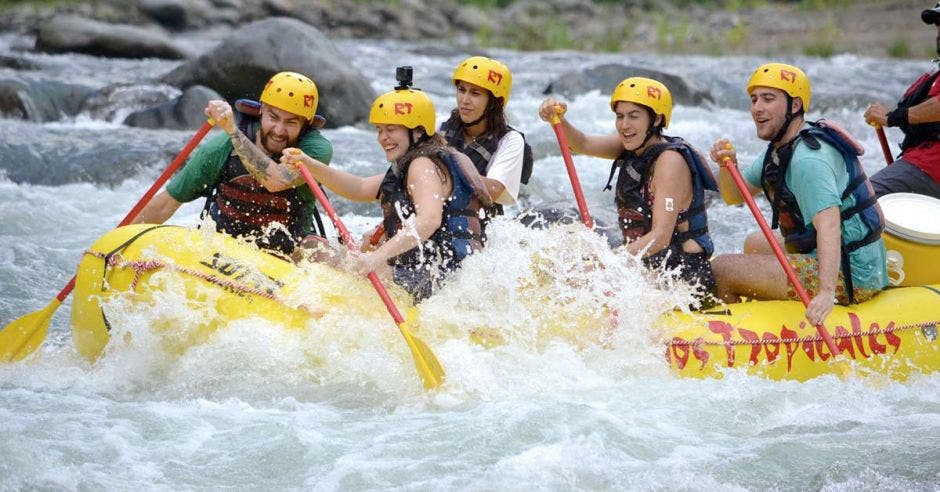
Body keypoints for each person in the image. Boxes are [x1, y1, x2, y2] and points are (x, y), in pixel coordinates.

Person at [281, 68, 493, 301]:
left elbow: (429, 220)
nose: (383, 138)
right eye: (380, 130)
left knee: (321, 254)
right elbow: (359, 188)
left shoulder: (421, 165)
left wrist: (376, 258)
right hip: (443, 275)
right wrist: (310, 164)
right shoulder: (413, 163)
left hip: (443, 278)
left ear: (418, 132)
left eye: (391, 129)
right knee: (321, 248)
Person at [710, 62, 888, 326]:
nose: (757, 107)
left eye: (768, 99)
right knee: (754, 244)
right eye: (754, 99)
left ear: (795, 106)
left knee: (721, 269)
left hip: (851, 273)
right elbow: (735, 196)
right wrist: (729, 167)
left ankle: (738, 338)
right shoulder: (783, 146)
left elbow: (829, 225)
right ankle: (771, 318)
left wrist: (826, 293)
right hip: (835, 254)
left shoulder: (808, 160)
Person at [538, 77, 719, 304]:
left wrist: (610, 261)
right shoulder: (632, 146)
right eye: (620, 116)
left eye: (634, 116)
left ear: (657, 119)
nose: (624, 125)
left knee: (584, 281)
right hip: (648, 268)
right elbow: (581, 143)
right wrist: (559, 120)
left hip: (684, 278)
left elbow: (660, 237)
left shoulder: (670, 162)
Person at [132, 71, 333, 258]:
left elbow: (277, 181)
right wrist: (120, 239)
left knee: (320, 250)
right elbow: (168, 202)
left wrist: (231, 130)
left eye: (291, 123)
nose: (279, 130)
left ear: (305, 124)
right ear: (261, 110)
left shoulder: (315, 151)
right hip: (223, 243)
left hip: (291, 248)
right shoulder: (221, 148)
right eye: (273, 117)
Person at [439, 56, 533, 232]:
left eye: (475, 93)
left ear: (494, 103)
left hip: (479, 230)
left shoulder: (510, 140)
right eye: (462, 90)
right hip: (436, 221)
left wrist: (438, 174)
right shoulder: (441, 128)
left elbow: (494, 189)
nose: (465, 100)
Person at [863, 3, 940, 200]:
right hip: (923, 163)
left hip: (930, 166)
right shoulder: (935, 71)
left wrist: (891, 117)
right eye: (938, 24)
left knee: (858, 202)